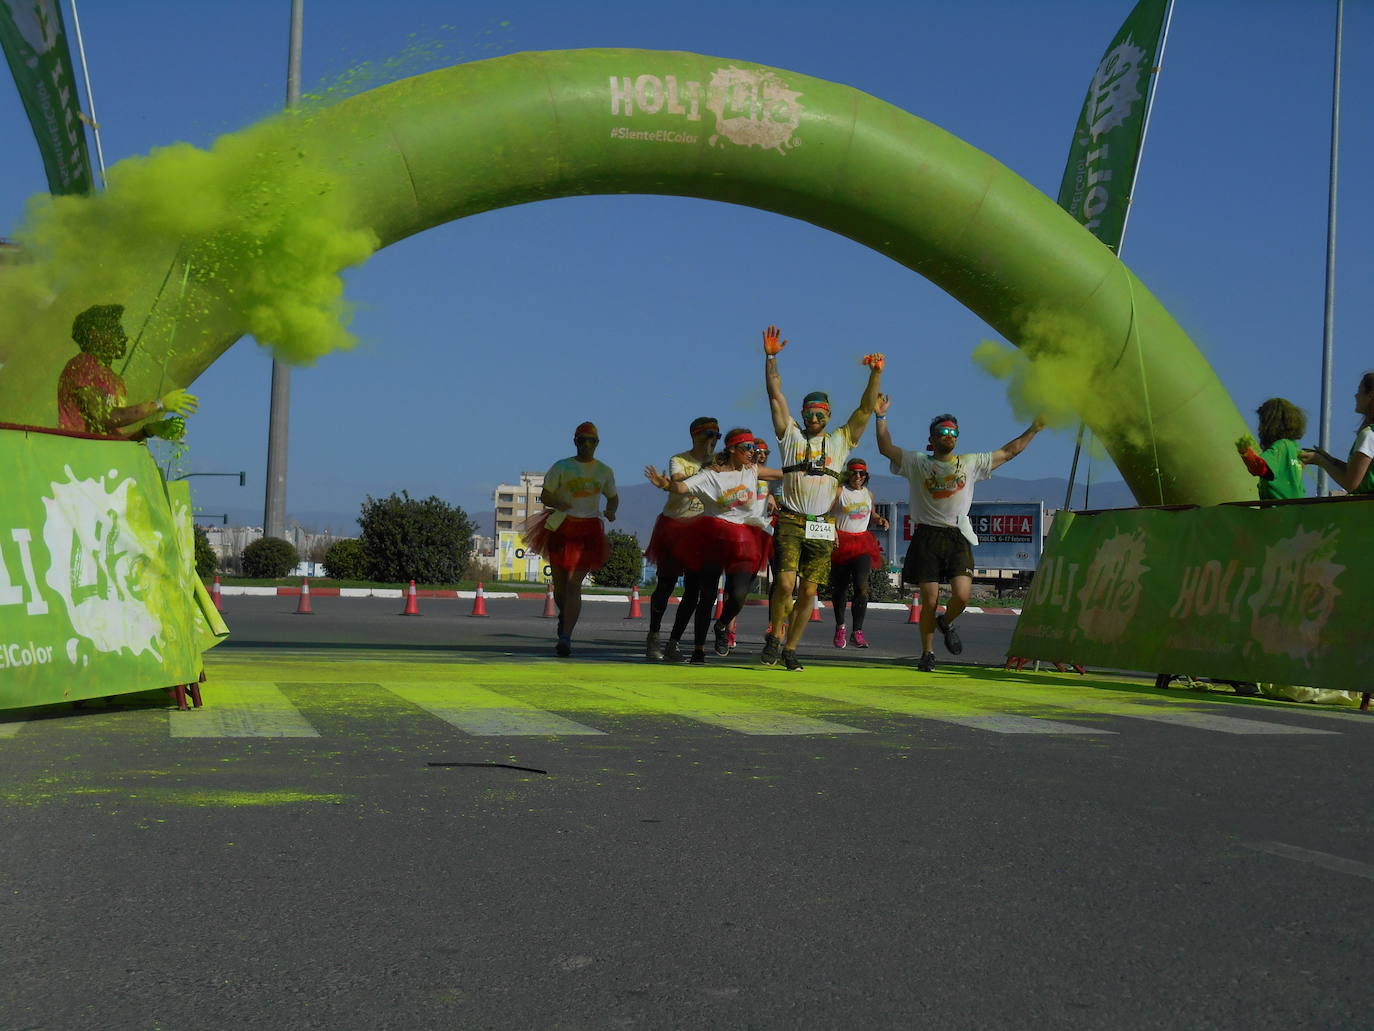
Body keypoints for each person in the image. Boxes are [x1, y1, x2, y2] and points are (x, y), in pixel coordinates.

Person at [876, 396, 1044, 672]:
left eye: (953, 432)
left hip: (957, 536)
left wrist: (1034, 428)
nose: (949, 435)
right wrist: (880, 418)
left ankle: (946, 622)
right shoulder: (917, 462)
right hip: (927, 536)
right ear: (931, 438)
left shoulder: (970, 463)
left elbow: (1009, 452)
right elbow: (885, 448)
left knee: (963, 595)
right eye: (943, 431)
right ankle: (927, 652)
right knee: (929, 600)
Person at [760, 325, 884, 672]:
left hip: (820, 526)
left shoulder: (841, 441)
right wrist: (771, 358)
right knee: (785, 583)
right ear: (802, 415)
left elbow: (863, 410)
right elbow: (774, 395)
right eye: (809, 413)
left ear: (828, 416)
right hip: (791, 519)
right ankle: (775, 634)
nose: (814, 419)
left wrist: (875, 375)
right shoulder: (790, 436)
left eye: (821, 414)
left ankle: (791, 649)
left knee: (810, 592)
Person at [645, 427, 781, 664]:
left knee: (738, 595)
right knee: (704, 595)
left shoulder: (752, 470)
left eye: (754, 449)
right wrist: (664, 484)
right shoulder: (711, 475)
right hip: (713, 536)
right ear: (731, 449)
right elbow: (682, 487)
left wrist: (806, 471)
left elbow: (780, 473)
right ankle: (698, 648)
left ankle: (720, 626)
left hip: (744, 539)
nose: (752, 453)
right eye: (747, 448)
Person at [523, 422, 618, 657]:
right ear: (575, 441)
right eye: (583, 440)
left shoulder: (604, 471)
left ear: (597, 444)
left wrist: (611, 510)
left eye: (592, 441)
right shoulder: (562, 466)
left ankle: (566, 636)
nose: (587, 445)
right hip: (561, 527)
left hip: (589, 531)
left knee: (575, 584)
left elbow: (613, 497)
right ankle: (565, 617)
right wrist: (558, 501)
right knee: (561, 586)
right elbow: (545, 494)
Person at [56, 303, 198, 438]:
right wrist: (159, 405)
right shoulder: (83, 365)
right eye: (117, 331)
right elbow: (103, 417)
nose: (124, 338)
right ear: (95, 334)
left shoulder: (117, 381)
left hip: (100, 458)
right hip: (78, 456)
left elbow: (113, 438)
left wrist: (147, 430)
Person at [643, 417, 720, 661]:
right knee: (665, 584)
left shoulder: (719, 463)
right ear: (694, 436)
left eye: (716, 436)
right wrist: (667, 483)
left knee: (693, 590)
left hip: (702, 530)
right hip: (675, 527)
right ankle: (653, 636)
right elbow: (677, 481)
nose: (712, 440)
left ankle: (673, 642)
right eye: (707, 434)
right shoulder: (680, 460)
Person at [828, 457, 889, 649]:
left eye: (861, 473)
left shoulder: (868, 495)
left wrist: (880, 520)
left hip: (862, 543)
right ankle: (840, 627)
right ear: (848, 474)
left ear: (866, 476)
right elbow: (826, 513)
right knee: (840, 589)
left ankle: (858, 631)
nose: (858, 476)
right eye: (854, 472)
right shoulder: (840, 492)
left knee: (862, 587)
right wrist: (832, 532)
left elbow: (872, 514)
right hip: (841, 543)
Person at [1300, 371, 1374, 494]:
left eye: (1360, 391)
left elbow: (1351, 484)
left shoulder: (1368, 435)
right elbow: (1357, 472)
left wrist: (1320, 461)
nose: (1356, 396)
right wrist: (1330, 460)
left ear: (1370, 396)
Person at [1235, 398, 1307, 500]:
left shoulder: (1280, 447)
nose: (1259, 428)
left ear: (1269, 424)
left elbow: (1261, 468)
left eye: (1262, 422)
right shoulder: (1293, 447)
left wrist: (1245, 452)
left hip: (1277, 510)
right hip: (1295, 509)